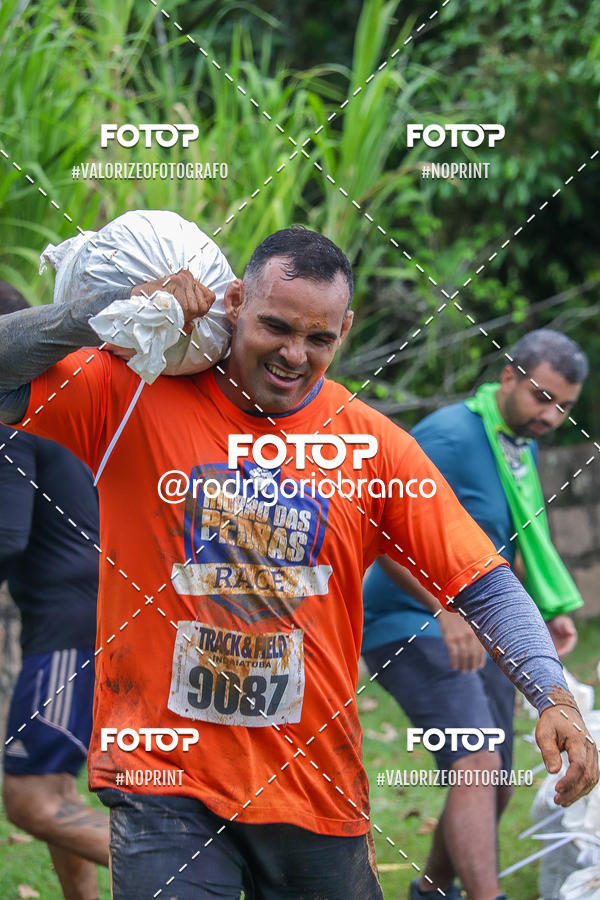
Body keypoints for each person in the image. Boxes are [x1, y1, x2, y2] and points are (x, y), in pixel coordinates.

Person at [0, 230, 596, 900]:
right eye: (276, 327)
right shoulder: (130, 398)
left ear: (345, 330)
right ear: (234, 302)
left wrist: (551, 694)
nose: (293, 355)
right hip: (161, 779)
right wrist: (102, 311)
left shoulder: (371, 446)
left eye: (319, 338)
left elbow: (484, 582)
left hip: (313, 789)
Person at [362, 329, 589, 900]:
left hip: (479, 623)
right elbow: (382, 530)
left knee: (500, 778)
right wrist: (443, 609)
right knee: (478, 760)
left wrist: (542, 612)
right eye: (543, 397)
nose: (552, 416)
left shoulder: (517, 444)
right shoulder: (449, 436)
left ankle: (432, 889)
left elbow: (508, 542)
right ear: (509, 376)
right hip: (409, 619)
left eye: (565, 407)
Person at [0, 282, 109, 900]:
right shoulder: (64, 396)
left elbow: (6, 535)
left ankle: (203, 873)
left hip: (68, 622)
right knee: (56, 787)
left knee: (31, 800)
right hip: (92, 611)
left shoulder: (8, 406)